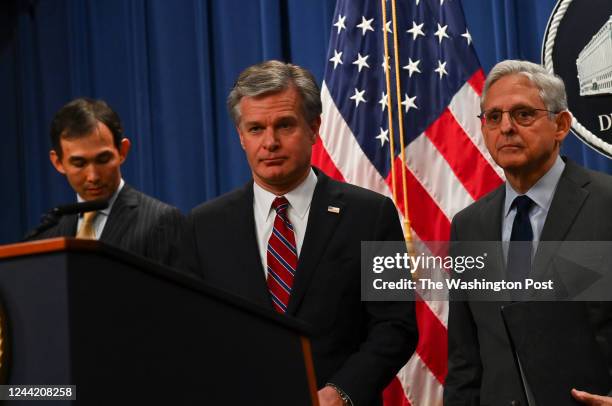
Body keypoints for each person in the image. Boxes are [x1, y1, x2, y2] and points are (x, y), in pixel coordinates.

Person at [180, 60, 418, 406]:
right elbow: (193, 335)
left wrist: (342, 393)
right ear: (241, 137)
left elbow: (395, 327)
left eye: (285, 125)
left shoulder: (371, 215)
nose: (270, 142)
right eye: (256, 128)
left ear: (314, 127)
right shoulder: (204, 226)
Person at [444, 59, 612, 405]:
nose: (505, 127)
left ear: (561, 125)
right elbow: (466, 358)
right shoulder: (468, 226)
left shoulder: (606, 204)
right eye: (493, 117)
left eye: (522, 114)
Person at [27, 97, 184, 266]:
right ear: (58, 162)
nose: (93, 176)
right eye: (79, 163)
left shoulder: (159, 221)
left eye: (103, 159)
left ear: (122, 151)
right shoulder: (48, 234)